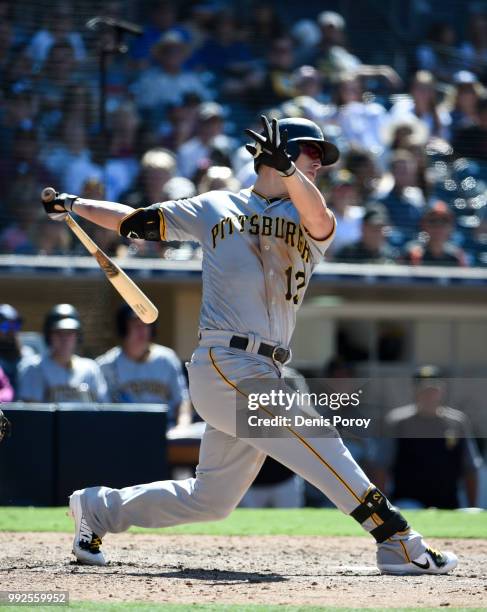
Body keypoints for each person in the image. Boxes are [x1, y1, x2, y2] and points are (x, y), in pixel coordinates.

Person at [42, 115, 457, 575]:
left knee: (210, 500)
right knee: (317, 434)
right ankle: (396, 538)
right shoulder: (215, 206)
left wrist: (291, 171)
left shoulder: (310, 214)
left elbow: (319, 216)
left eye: (320, 158)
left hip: (265, 367)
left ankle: (98, 508)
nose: (318, 164)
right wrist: (75, 204)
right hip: (226, 361)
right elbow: (134, 222)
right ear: (274, 152)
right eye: (311, 153)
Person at [375, 366, 483, 509]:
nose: (429, 394)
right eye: (423, 389)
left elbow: (471, 468)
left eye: (434, 389)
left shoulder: (457, 422)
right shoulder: (397, 422)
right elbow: (381, 466)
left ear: (442, 390)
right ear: (415, 390)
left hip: (449, 503)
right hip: (408, 502)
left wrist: (472, 506)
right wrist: (383, 509)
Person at [96, 305, 192, 429]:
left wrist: (182, 429)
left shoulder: (167, 359)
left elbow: (182, 401)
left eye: (146, 324)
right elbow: (102, 409)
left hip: (165, 430)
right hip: (124, 431)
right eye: (136, 324)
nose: (142, 330)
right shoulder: (106, 365)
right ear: (123, 328)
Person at [18, 304, 107, 403]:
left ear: (78, 335)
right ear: (49, 335)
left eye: (69, 333)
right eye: (58, 333)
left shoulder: (90, 368)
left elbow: (102, 408)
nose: (64, 339)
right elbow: (32, 413)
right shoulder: (34, 368)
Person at [401, 201, 467, 267]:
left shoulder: (457, 256)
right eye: (433, 221)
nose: (438, 226)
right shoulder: (412, 254)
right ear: (423, 224)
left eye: (444, 221)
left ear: (451, 226)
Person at [0, 304, 35, 395]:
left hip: (25, 408)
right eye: (5, 326)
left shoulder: (29, 356)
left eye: (15, 325)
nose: (11, 331)